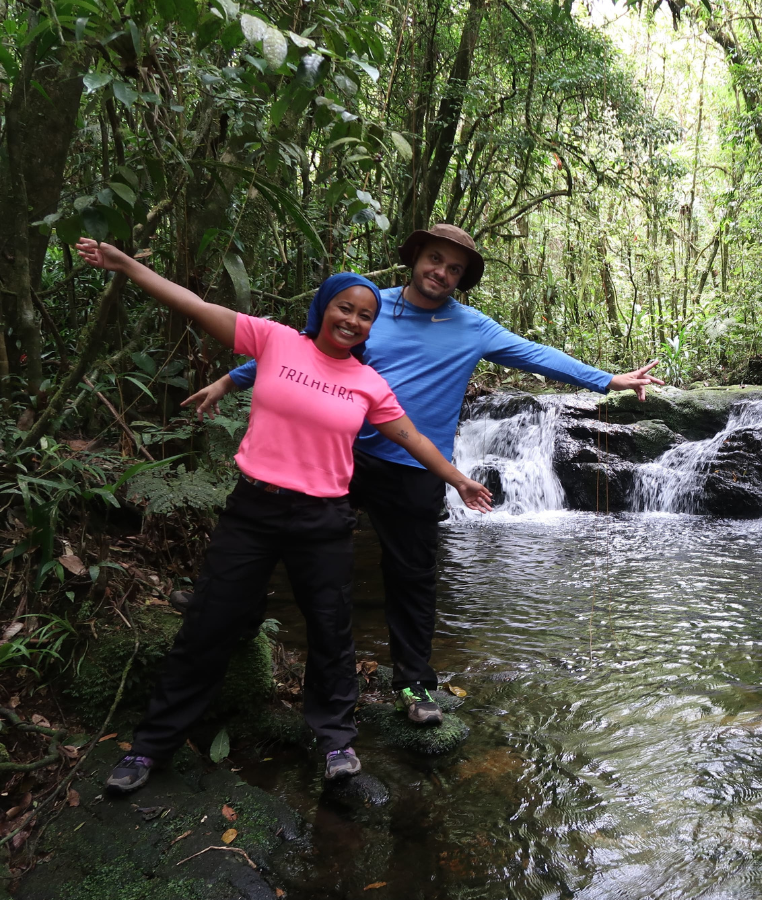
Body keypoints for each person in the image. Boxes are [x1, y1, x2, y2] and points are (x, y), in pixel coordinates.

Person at [187, 223, 663, 729]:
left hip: (415, 467)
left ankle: (413, 681)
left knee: (411, 576)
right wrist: (231, 378)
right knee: (291, 542)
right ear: (416, 258)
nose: (442, 272)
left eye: (454, 269)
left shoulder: (473, 327)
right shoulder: (368, 307)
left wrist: (607, 379)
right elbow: (307, 351)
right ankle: (242, 618)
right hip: (342, 456)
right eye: (435, 259)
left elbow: (536, 354)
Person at [73, 238, 493, 793]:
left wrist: (458, 478)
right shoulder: (274, 341)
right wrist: (126, 265)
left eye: (365, 316)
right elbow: (195, 306)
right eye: (344, 308)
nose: (353, 321)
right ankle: (151, 747)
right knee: (207, 627)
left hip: (322, 522)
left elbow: (412, 438)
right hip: (252, 511)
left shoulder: (369, 383)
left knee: (331, 632)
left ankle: (336, 741)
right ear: (323, 308)